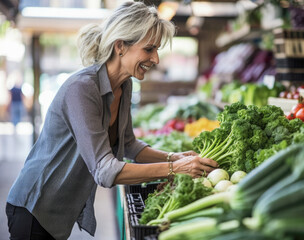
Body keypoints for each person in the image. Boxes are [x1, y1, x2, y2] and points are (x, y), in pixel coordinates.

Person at [6, 2, 218, 240]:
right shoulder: (83, 89)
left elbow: (128, 145)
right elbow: (105, 171)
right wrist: (174, 169)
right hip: (35, 206)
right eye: (149, 49)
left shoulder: (124, 85)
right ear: (120, 46)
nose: (156, 59)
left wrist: (173, 158)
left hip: (59, 212)